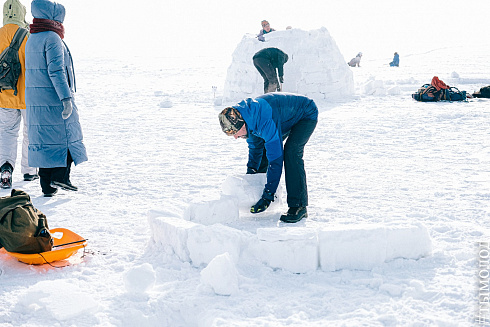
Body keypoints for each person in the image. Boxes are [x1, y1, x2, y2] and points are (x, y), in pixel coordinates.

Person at [218, 92, 318, 223]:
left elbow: (276, 161)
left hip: (305, 113)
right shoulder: (248, 121)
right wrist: (251, 176)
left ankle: (298, 206)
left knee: (291, 154)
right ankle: (259, 192)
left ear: (242, 124)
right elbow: (255, 151)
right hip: (282, 118)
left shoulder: (263, 121)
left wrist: (268, 196)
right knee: (263, 150)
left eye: (235, 133)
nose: (236, 137)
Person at [25, 0, 87, 197]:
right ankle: (61, 176)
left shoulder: (32, 37)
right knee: (65, 135)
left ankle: (47, 186)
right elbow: (57, 71)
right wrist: (66, 98)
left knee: (44, 140)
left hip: (36, 100)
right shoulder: (52, 38)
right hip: (53, 99)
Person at [0, 0, 38, 189]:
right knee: (29, 133)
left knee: (7, 132)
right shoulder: (29, 36)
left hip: (4, 95)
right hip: (27, 95)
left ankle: (6, 167)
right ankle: (30, 171)